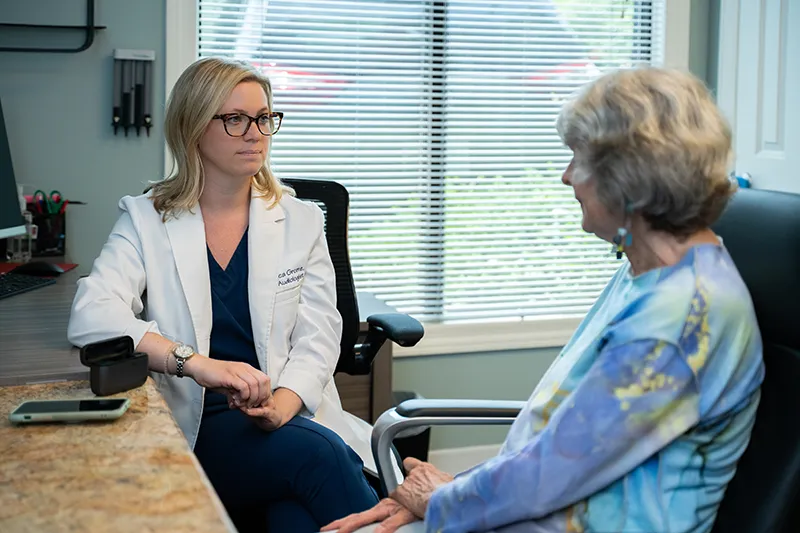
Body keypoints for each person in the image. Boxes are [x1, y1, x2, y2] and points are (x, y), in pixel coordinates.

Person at [323, 67, 765, 533]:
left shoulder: (677, 320)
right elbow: (558, 453)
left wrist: (441, 499)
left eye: (579, 159)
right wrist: (448, 494)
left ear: (627, 182)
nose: (566, 176)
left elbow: (549, 474)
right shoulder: (645, 273)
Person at [67, 56, 379, 532]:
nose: (255, 133)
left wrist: (284, 404)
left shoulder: (300, 220)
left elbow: (320, 337)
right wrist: (194, 362)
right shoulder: (146, 219)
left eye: (263, 117)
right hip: (195, 425)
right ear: (194, 127)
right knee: (320, 457)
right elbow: (92, 316)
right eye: (234, 119)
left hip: (283, 415)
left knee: (292, 518)